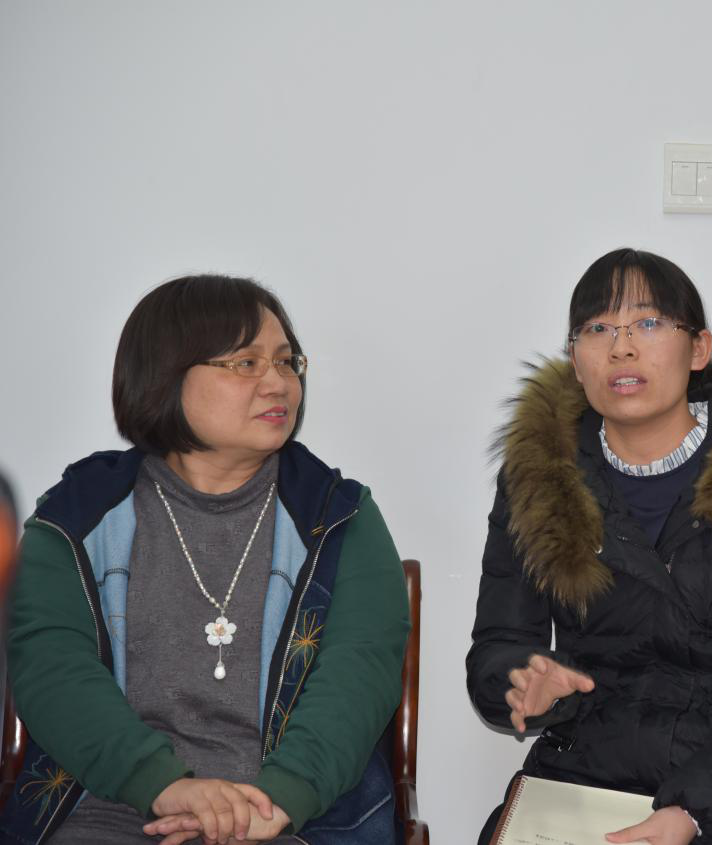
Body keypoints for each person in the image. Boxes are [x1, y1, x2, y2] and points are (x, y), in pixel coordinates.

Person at [2, 275, 409, 845]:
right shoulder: (75, 517)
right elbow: (52, 668)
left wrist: (282, 797)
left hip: (292, 818)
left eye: (287, 362)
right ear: (165, 375)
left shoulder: (339, 518)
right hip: (110, 807)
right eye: (246, 363)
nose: (279, 383)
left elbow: (359, 676)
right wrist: (162, 784)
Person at [467, 248, 712, 844]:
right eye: (597, 329)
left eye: (647, 322)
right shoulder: (539, 476)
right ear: (575, 360)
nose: (621, 348)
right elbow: (499, 643)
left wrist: (693, 812)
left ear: (698, 349)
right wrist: (522, 682)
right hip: (586, 780)